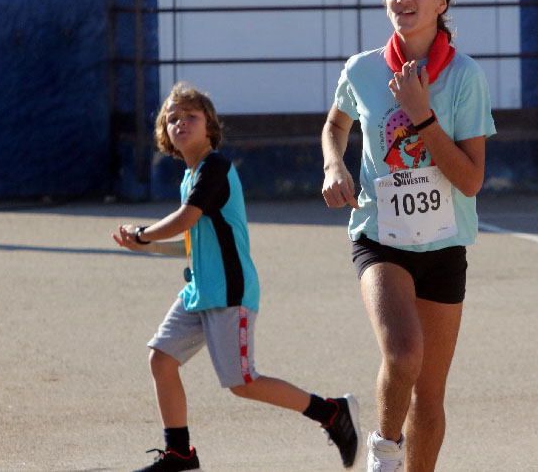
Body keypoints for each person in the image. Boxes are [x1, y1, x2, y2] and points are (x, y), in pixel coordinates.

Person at [114, 82, 359, 472]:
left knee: (242, 382)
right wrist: (148, 247)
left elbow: (185, 219)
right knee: (161, 359)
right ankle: (180, 453)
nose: (180, 123)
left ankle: (331, 411)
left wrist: (144, 233)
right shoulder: (190, 176)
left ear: (209, 127)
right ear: (165, 134)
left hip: (230, 291)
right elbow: (193, 243)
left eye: (190, 117)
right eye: (172, 119)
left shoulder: (215, 167)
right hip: (199, 291)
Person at [321, 0, 495, 472]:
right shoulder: (363, 69)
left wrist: (422, 116)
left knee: (431, 394)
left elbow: (469, 180)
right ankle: (385, 448)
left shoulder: (464, 77)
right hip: (380, 235)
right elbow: (335, 125)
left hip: (444, 244)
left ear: (442, 0)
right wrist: (334, 165)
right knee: (402, 355)